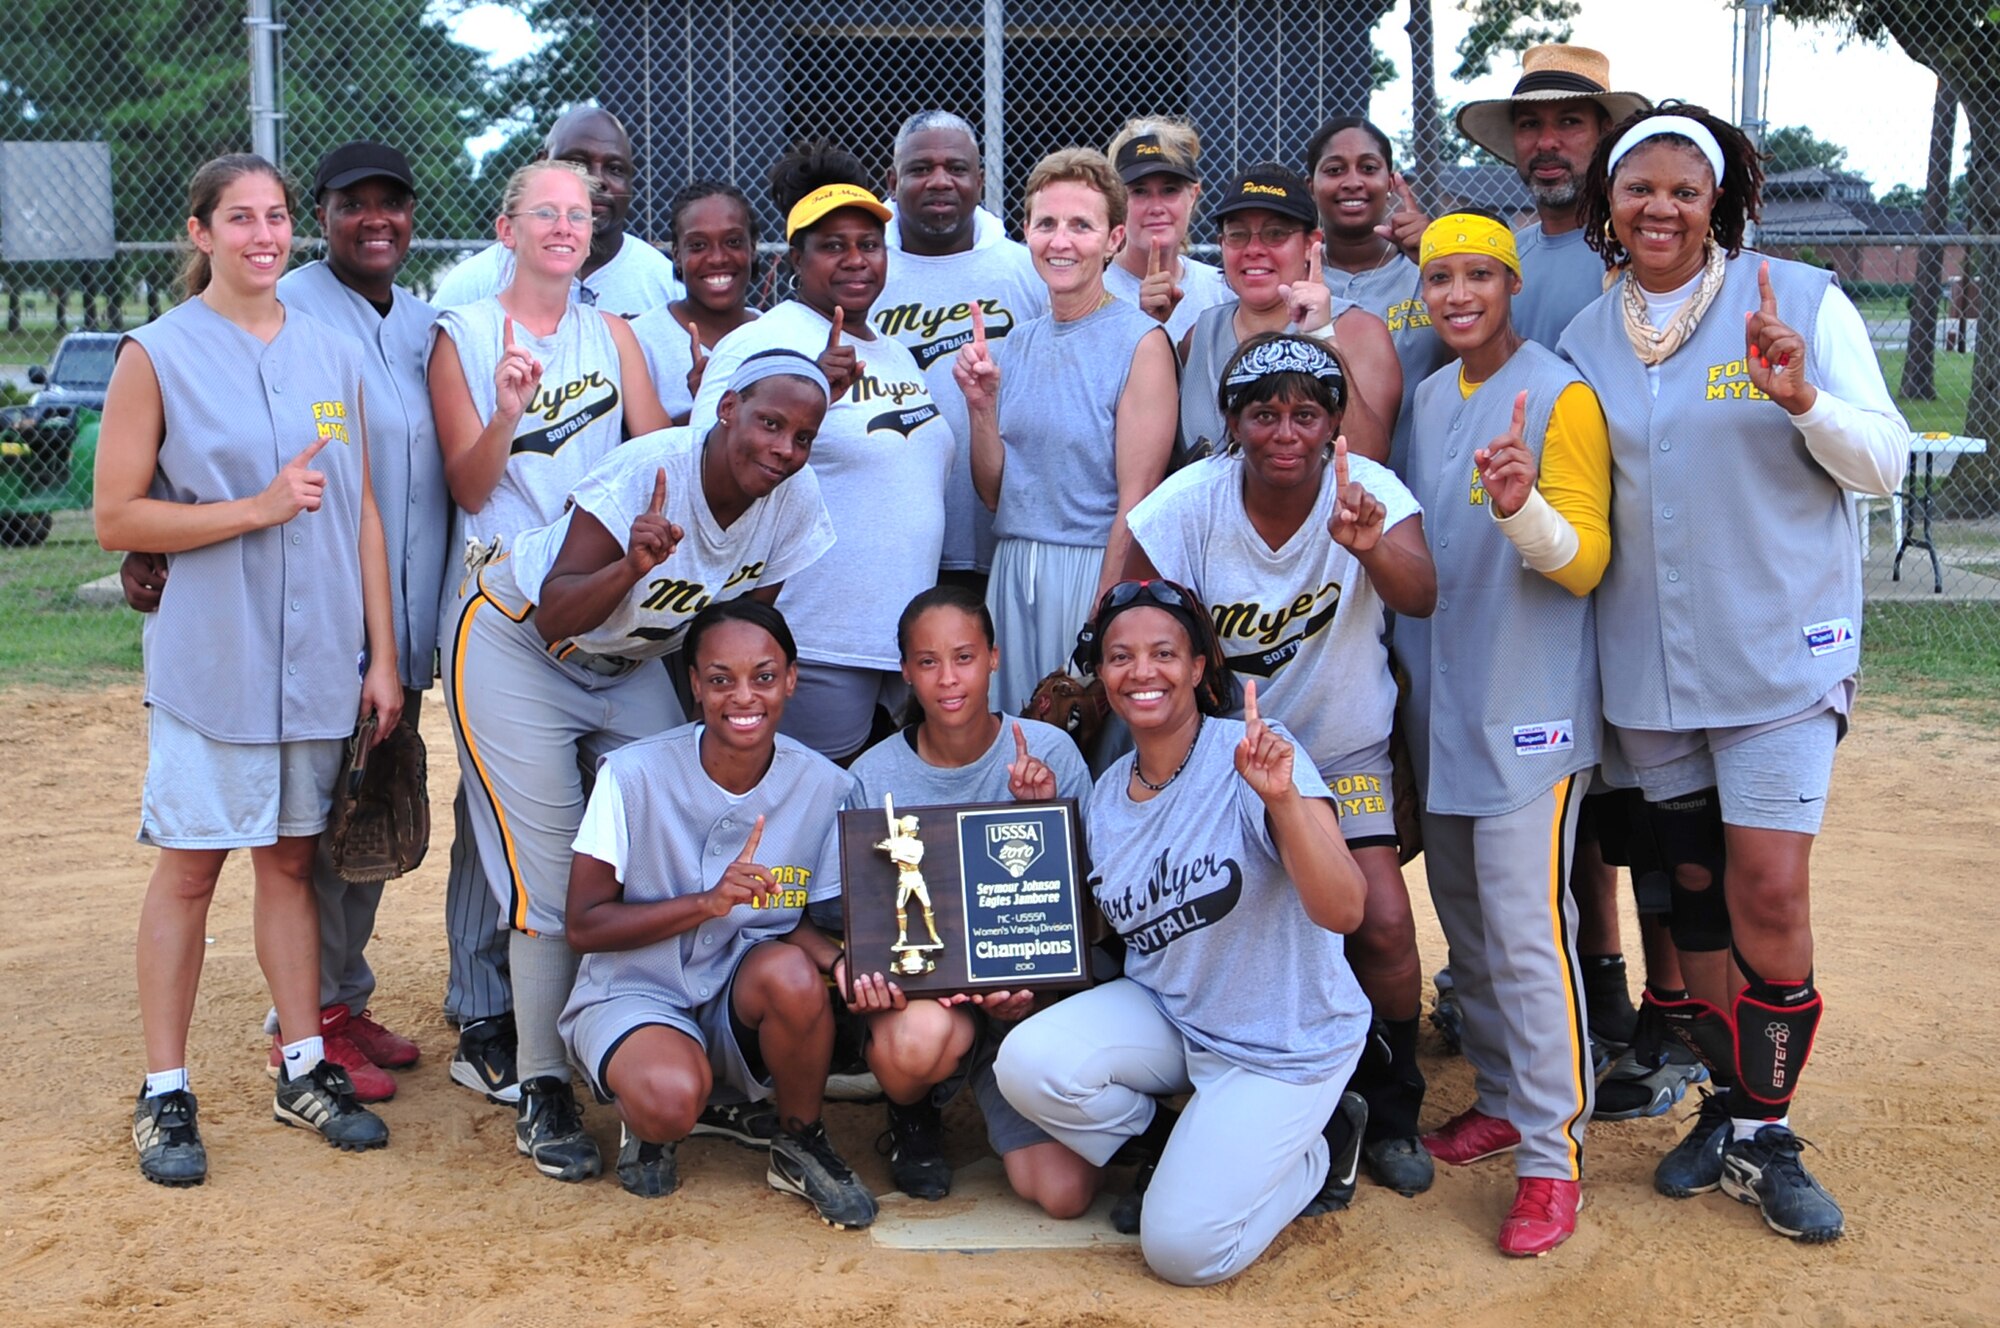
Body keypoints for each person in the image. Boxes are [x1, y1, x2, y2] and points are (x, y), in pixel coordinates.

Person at [1561, 104, 1909, 1244]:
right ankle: (1728, 1106)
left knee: (1765, 887)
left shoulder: (1797, 301)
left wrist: (1800, 396)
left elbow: (1885, 458)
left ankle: (1765, 1129)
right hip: (1646, 668)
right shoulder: (1583, 336)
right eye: (1634, 188)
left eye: (1681, 188)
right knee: (1692, 901)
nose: (1656, 207)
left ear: (1719, 199)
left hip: (1773, 651)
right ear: (1608, 204)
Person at [116, 141, 447, 1104]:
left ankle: (304, 1064)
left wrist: (383, 657)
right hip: (213, 661)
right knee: (190, 871)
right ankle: (165, 1086)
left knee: (293, 863)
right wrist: (254, 510)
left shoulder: (329, 352)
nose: (263, 236)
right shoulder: (158, 352)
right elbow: (115, 517)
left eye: (273, 218)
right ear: (201, 233)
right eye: (239, 219)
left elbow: (365, 514)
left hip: (317, 664)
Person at [1126, 332, 1438, 1200]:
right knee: (1218, 922)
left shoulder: (1367, 490)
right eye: (1263, 413)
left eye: (1307, 412)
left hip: (1341, 751)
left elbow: (1422, 593)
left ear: (1337, 422)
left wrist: (1371, 545)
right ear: (1231, 423)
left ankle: (1391, 1098)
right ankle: (1212, 1091)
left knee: (1377, 923)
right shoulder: (1191, 503)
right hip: (1225, 756)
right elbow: (1134, 617)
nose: (1285, 431)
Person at [995, 580, 1371, 1287]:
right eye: (1120, 657)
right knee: (1027, 1063)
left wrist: (1284, 803)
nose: (1142, 671)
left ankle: (1319, 1150)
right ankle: (1182, 1145)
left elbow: (1345, 909)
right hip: (1175, 1013)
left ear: (1199, 667)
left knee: (1183, 1253)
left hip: (1282, 1043)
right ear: (1103, 676)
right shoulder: (1107, 795)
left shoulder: (1258, 755)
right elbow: (1100, 925)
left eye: (1164, 653)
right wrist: (1043, 823)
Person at [1453, 44, 1692, 1120]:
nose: (1548, 143)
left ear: (1603, 136)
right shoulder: (1509, 254)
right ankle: (1592, 997)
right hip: (1532, 558)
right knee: (1578, 819)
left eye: (1569, 123)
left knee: (1652, 808)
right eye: (1531, 127)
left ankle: (1672, 1013)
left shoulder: (1627, 253)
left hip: (1634, 560)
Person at [430, 157, 670, 1176]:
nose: (566, 227)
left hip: (613, 619)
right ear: (508, 227)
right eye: (546, 214)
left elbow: (663, 445)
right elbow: (466, 479)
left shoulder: (610, 330)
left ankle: (656, 1040)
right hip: (507, 622)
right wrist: (506, 408)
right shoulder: (466, 332)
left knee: (664, 807)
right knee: (545, 866)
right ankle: (541, 1082)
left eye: (579, 213)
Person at [1398, 210, 1612, 1257]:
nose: (1456, 294)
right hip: (1446, 706)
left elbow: (1580, 562)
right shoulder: (1434, 394)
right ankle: (1496, 1095)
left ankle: (1548, 1153)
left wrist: (1523, 506)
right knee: (1467, 923)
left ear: (1510, 283)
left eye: (1477, 273)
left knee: (1528, 937)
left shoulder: (1557, 390)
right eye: (1439, 277)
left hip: (1527, 711)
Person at [559, 599, 879, 1228]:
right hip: (635, 989)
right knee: (671, 1101)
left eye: (763, 676)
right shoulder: (631, 774)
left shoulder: (824, 786)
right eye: (720, 679)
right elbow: (584, 925)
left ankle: (799, 1139)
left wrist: (840, 963)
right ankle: (651, 1122)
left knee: (792, 975)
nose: (744, 696)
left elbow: (796, 923)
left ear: (791, 678)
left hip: (737, 992)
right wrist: (705, 903)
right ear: (695, 685)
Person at [689, 143, 955, 763]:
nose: (856, 259)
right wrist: (812, 390)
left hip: (898, 641)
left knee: (874, 834)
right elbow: (703, 468)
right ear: (794, 262)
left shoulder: (892, 350)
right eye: (833, 246)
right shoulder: (765, 341)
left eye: (869, 244)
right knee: (808, 820)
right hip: (816, 637)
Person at [840, 585, 1098, 1211]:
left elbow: (1093, 914)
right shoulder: (872, 776)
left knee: (1063, 1195)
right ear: (905, 671)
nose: (948, 679)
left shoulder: (1051, 751)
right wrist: (860, 969)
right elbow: (868, 923)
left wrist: (1045, 817)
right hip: (933, 1004)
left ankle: (1020, 1089)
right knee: (918, 1039)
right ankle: (913, 1116)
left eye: (964, 657)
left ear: (994, 658)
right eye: (927, 662)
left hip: (1029, 1003)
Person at [953, 148, 1178, 723]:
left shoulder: (1140, 341)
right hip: (1012, 570)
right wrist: (981, 409)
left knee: (1080, 738)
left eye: (1082, 225)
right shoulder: (1021, 341)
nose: (1061, 240)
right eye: (1047, 223)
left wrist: (1104, 614)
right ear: (1026, 231)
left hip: (1087, 569)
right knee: (1019, 744)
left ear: (1113, 238)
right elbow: (995, 494)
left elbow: (1138, 498)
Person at [873, 110, 1048, 590]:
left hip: (1006, 535)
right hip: (895, 541)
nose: (939, 181)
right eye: (920, 169)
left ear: (980, 179)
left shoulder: (1024, 270)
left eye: (955, 168)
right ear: (892, 181)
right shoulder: (865, 274)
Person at [1173, 164, 1398, 464]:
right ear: (1222, 245)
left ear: (1310, 244)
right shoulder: (1201, 335)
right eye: (1237, 235)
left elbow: (1369, 460)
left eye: (1275, 233)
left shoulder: (1357, 330)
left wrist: (1322, 338)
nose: (1253, 249)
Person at [432, 106, 683, 317]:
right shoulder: (474, 283)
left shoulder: (665, 283)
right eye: (577, 164)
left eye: (615, 168)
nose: (596, 180)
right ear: (542, 163)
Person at [1304, 117, 1444, 471]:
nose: (1353, 182)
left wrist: (1438, 263)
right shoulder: (1295, 279)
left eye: (1368, 168)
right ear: (1311, 186)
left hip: (1421, 480)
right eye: (1335, 170)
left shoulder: (1427, 271)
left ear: (1392, 181)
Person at [630, 181, 762, 424]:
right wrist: (707, 406)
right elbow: (633, 446)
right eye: (698, 245)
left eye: (732, 242)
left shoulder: (776, 334)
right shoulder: (638, 342)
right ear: (678, 255)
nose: (717, 258)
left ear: (752, 248)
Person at [1100, 119, 1232, 342]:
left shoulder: (1220, 291)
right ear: (1117, 201)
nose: (1156, 207)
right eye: (1140, 191)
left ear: (1193, 196)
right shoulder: (1093, 292)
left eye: (1169, 190)